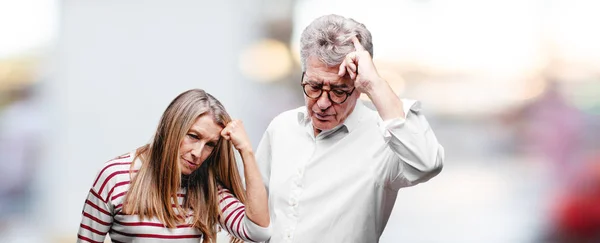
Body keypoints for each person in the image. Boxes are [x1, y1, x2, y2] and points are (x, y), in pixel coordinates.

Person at [256, 14, 445, 242]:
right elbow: (254, 207)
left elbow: (427, 162)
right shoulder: (281, 128)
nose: (323, 103)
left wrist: (374, 83)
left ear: (358, 86)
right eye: (314, 86)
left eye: (338, 91)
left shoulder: (383, 139)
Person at [77, 89, 271, 243]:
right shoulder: (115, 176)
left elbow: (259, 232)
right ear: (172, 128)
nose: (198, 153)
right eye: (193, 136)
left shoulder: (208, 188)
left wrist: (246, 151)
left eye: (210, 144)